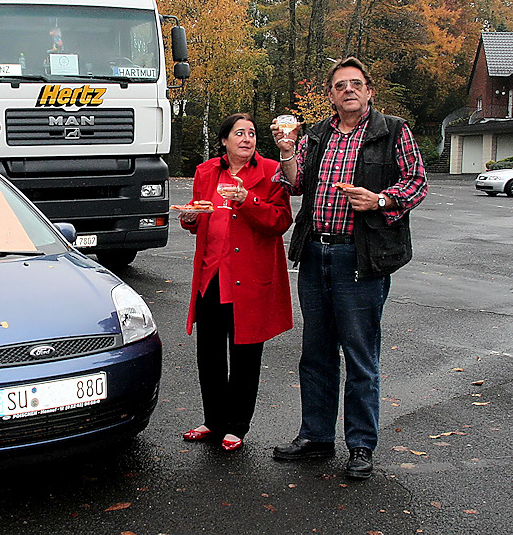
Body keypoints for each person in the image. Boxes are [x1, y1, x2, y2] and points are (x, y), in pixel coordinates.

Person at [270, 57, 428, 479]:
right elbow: (295, 183)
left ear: (369, 90)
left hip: (360, 257)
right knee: (315, 353)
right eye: (340, 86)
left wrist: (379, 200)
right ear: (331, 95)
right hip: (317, 253)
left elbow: (416, 182)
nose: (349, 91)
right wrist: (287, 153)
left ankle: (360, 445)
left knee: (360, 356)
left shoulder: (392, 131)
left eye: (356, 84)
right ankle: (316, 437)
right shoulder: (318, 134)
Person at [179, 114, 293, 451]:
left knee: (245, 354)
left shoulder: (271, 171)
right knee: (209, 353)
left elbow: (281, 221)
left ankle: (236, 425)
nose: (247, 139)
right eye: (239, 133)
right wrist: (190, 219)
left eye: (252, 134)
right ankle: (212, 420)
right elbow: (202, 219)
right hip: (211, 275)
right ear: (224, 141)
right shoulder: (206, 172)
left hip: (249, 278)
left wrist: (248, 201)